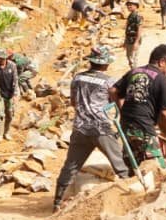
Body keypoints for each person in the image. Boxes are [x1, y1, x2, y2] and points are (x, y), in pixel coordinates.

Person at [53, 46, 130, 211]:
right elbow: (116, 104)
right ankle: (130, 196)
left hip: (80, 128)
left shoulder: (78, 78)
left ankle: (57, 202)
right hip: (101, 128)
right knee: (120, 164)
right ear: (104, 64)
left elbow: (74, 102)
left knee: (71, 166)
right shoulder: (109, 82)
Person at [113, 44, 166, 172]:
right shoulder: (162, 80)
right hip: (144, 127)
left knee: (132, 161)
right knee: (157, 166)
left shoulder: (133, 71)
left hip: (126, 123)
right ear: (162, 62)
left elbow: (113, 90)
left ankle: (132, 182)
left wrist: (122, 109)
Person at [0, 48, 19, 139]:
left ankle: (6, 132)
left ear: (6, 58)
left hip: (9, 95)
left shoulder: (12, 66)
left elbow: (15, 80)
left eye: (2, 58)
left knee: (10, 115)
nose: (1, 60)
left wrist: (15, 94)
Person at [122, 0, 143, 68]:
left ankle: (134, 73)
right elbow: (127, 29)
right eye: (128, 5)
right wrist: (125, 41)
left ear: (136, 6)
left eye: (130, 5)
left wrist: (136, 42)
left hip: (134, 40)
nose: (129, 6)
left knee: (133, 59)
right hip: (129, 39)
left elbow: (139, 29)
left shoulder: (138, 16)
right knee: (129, 58)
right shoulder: (130, 15)